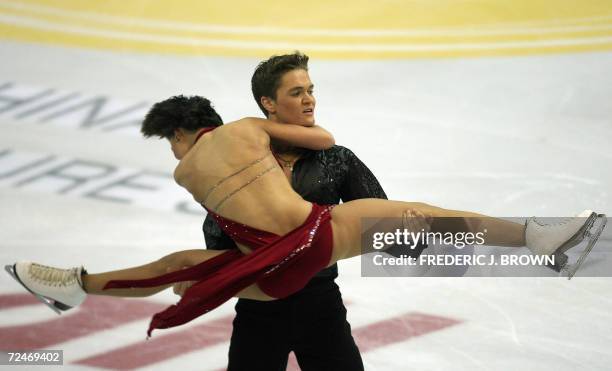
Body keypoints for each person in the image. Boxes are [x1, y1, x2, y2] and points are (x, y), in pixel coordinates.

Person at [7, 95, 603, 343]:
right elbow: (322, 137)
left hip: (277, 263)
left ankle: (73, 286)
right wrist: (271, 128)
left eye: (170, 140)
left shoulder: (185, 172)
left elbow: (230, 230)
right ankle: (538, 236)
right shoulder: (247, 128)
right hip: (317, 237)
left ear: (182, 133)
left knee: (175, 268)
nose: (172, 152)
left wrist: (211, 277)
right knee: (424, 215)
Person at [192, 52, 391, 370]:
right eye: (296, 93)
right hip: (259, 310)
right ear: (268, 103)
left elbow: (380, 219)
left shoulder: (335, 159)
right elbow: (216, 237)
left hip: (320, 305)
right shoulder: (242, 165)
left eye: (310, 90)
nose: (309, 100)